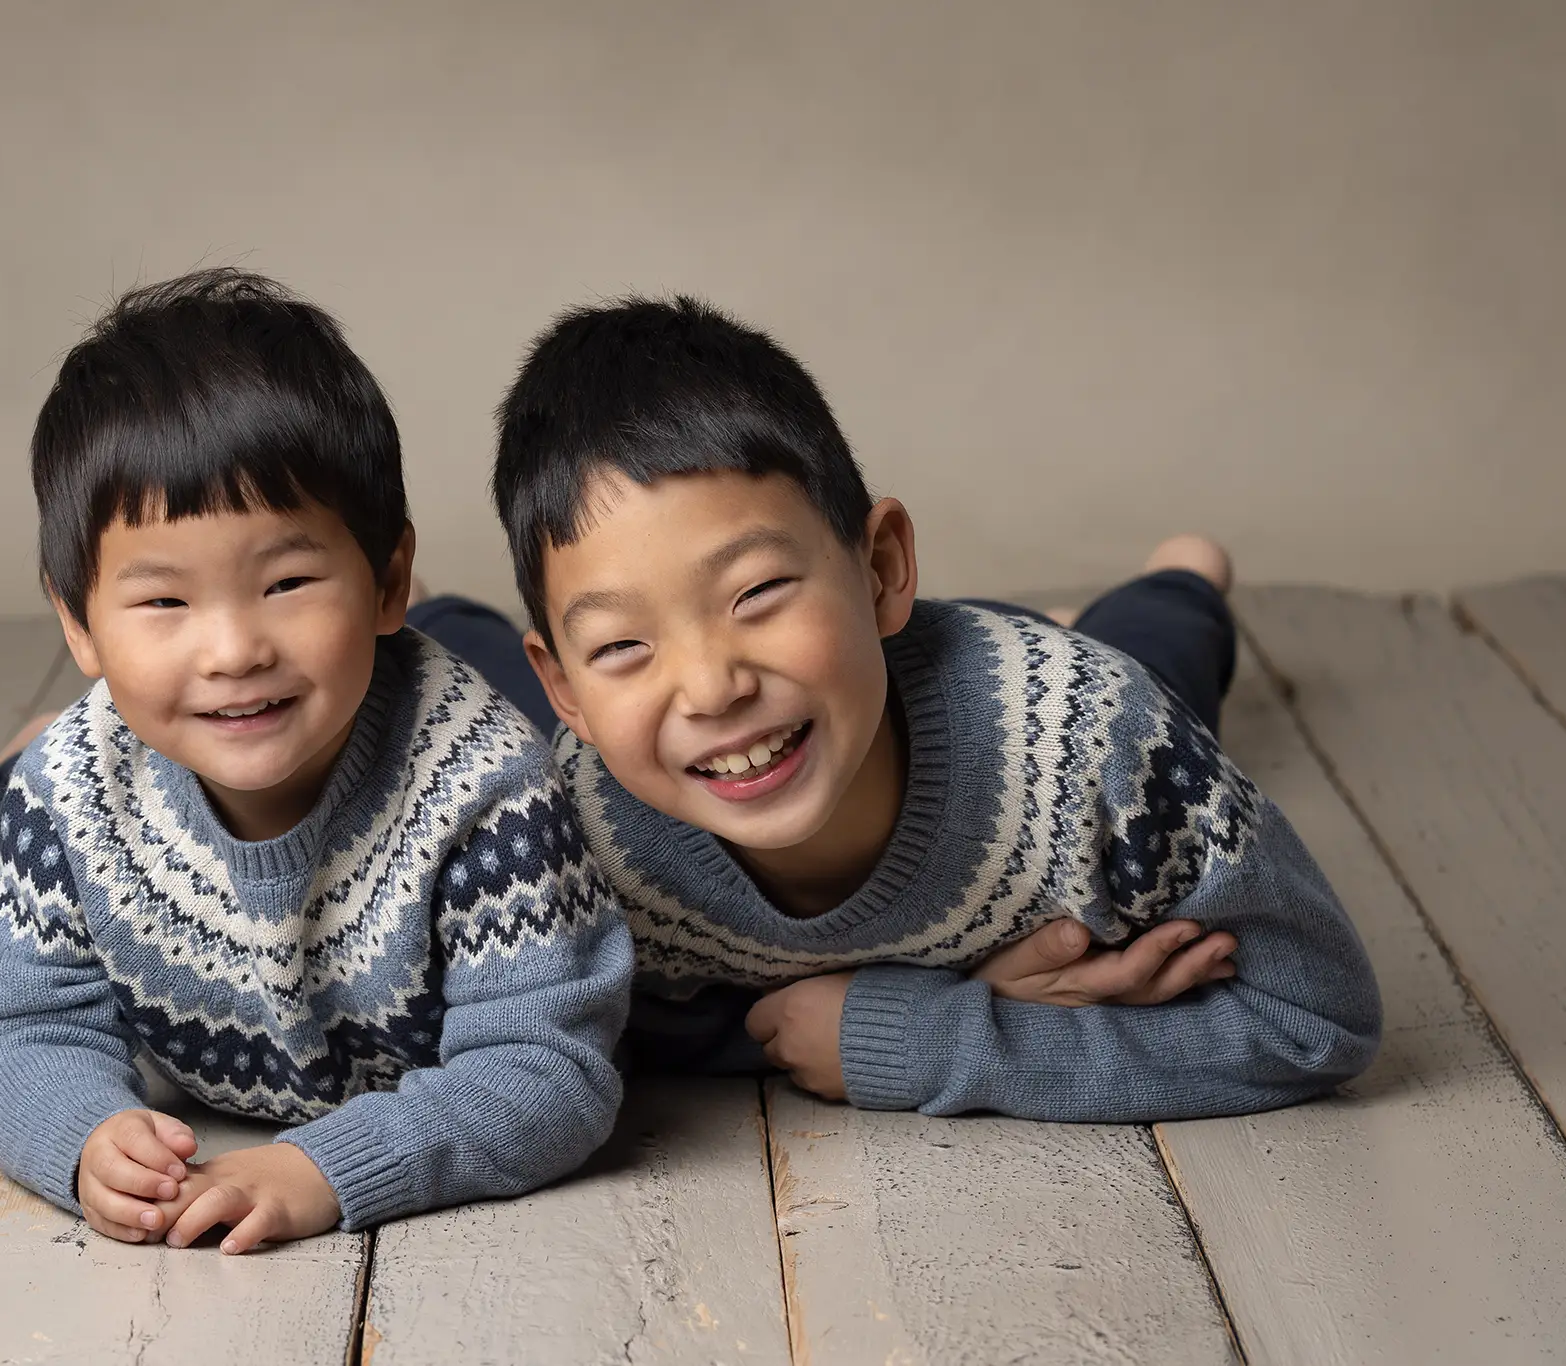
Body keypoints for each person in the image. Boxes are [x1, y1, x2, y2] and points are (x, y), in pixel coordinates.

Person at [481, 296, 1380, 1120]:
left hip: (1000, 694)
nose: (714, 687)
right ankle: (463, 616)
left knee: (1155, 654)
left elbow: (1316, 1018)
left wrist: (926, 1036)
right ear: (567, 690)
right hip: (868, 692)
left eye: (756, 593)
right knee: (466, 679)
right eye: (620, 647)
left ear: (880, 569)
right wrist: (956, 991)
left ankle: (1181, 576)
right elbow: (579, 1034)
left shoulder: (1084, 741)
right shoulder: (573, 827)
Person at [0, 268, 632, 1257]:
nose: (232, 648)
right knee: (37, 778)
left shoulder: (488, 788)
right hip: (196, 729)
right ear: (77, 623)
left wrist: (328, 1165)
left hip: (434, 694)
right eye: (162, 603)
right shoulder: (71, 792)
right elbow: (26, 1031)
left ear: (386, 576)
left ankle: (436, 620)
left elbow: (547, 1070)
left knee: (537, 707)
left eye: (286, 581)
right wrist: (83, 1137)